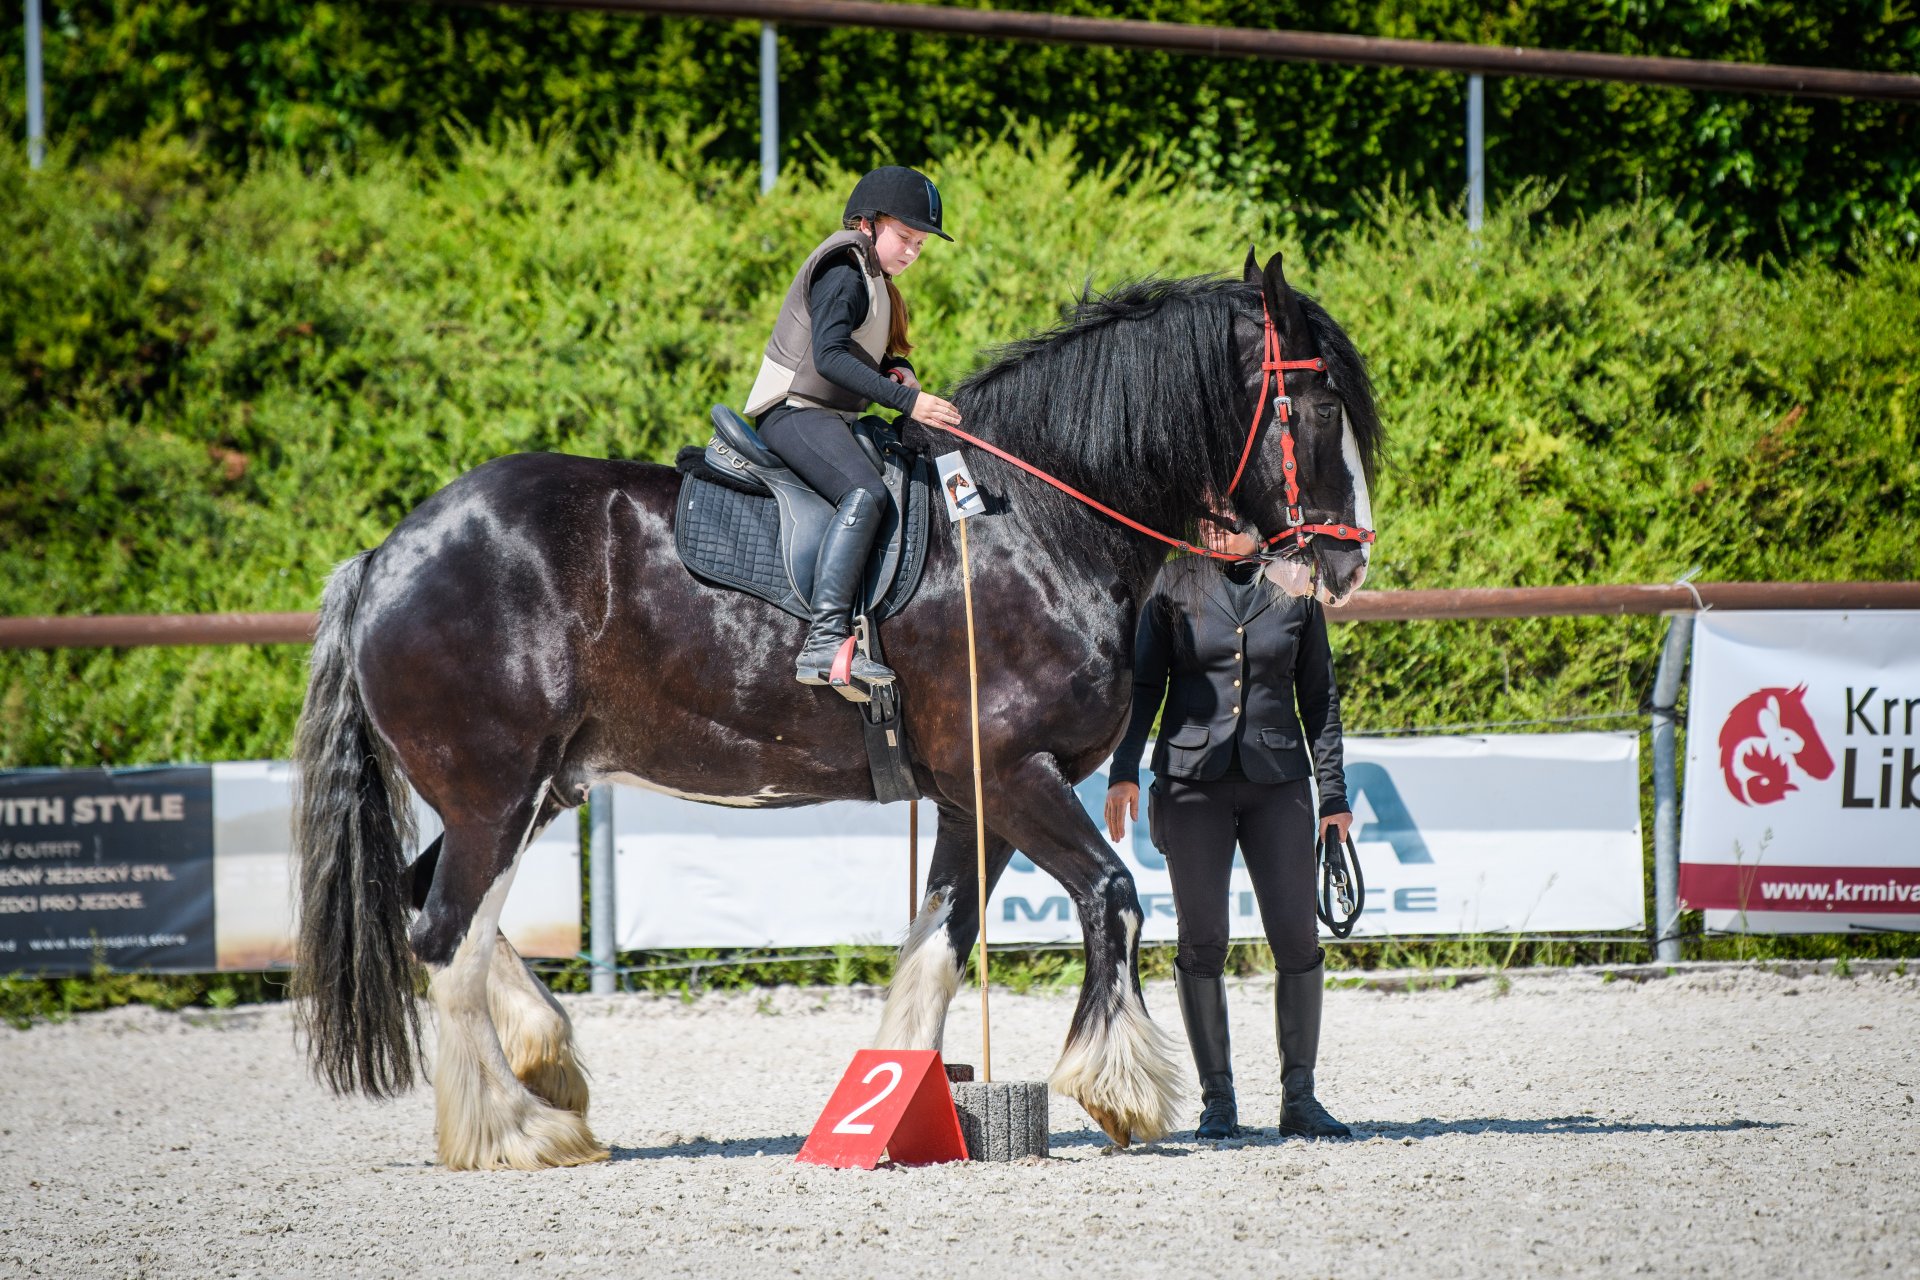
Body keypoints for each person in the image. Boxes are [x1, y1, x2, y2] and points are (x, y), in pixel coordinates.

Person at [1104, 519, 1355, 1141]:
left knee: (1297, 939)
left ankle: (1300, 1097)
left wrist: (1334, 796)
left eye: (1231, 517)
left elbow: (1319, 697)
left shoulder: (1297, 586)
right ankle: (1219, 1101)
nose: (1219, 526)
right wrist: (1124, 769)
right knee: (1203, 941)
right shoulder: (1172, 583)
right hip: (1191, 784)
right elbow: (1144, 684)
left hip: (1279, 786)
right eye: (1210, 516)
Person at [745, 165, 964, 687]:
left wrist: (899, 370)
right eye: (905, 237)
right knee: (865, 494)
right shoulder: (844, 268)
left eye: (920, 243)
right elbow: (828, 358)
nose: (913, 251)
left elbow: (865, 354)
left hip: (833, 416)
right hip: (793, 412)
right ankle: (822, 642)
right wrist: (906, 404)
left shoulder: (876, 280)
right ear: (867, 225)